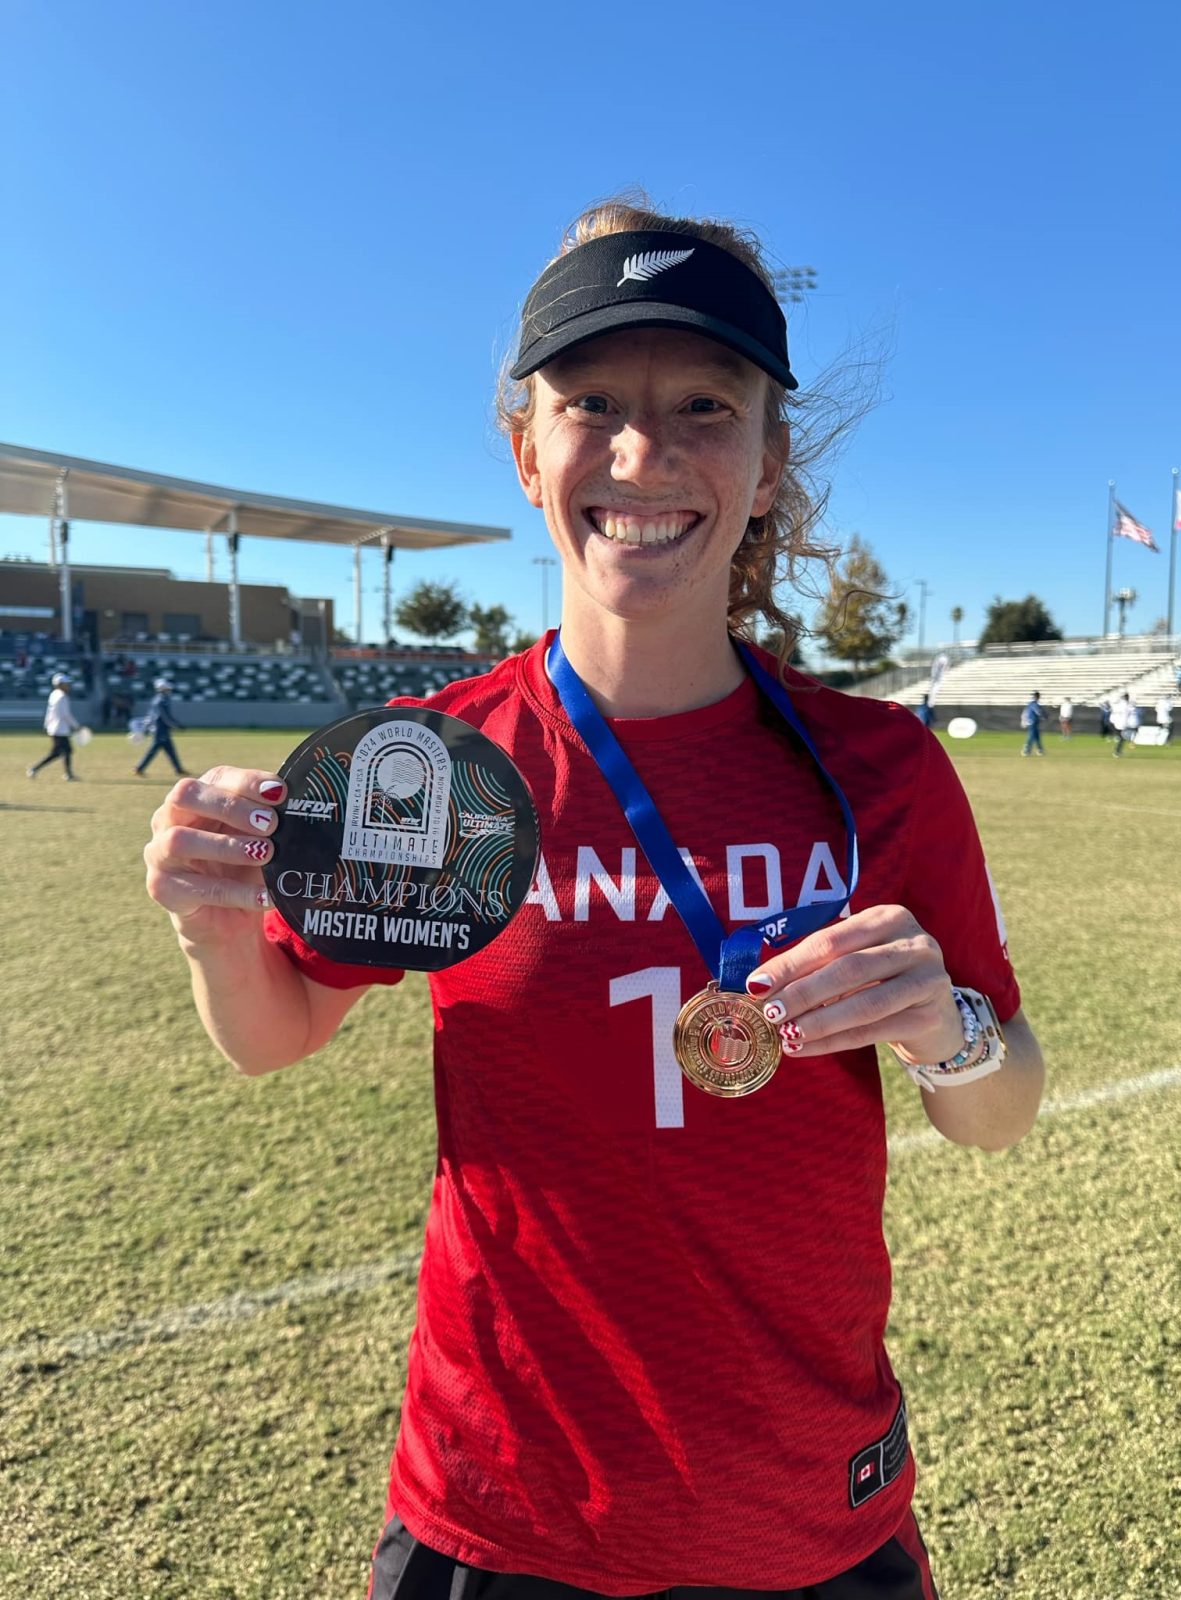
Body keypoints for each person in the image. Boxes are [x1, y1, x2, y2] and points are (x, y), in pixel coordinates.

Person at [143, 199, 1044, 1600]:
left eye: (702, 404)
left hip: (809, 1508)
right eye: (590, 404)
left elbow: (1000, 1110)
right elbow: (275, 1030)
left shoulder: (882, 769)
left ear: (764, 464)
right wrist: (212, 920)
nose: (643, 453)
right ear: (525, 451)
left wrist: (951, 1032)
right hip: (502, 1513)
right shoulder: (432, 763)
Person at [27, 671, 81, 780]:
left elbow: (49, 712)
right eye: (65, 684)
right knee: (59, 752)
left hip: (55, 728)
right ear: (59, 684)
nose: (68, 686)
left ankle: (68, 774)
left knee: (64, 751)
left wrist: (46, 725)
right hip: (60, 729)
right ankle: (35, 769)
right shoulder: (62, 697)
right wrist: (76, 726)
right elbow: (65, 715)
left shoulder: (54, 695)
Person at [134, 678, 187, 776]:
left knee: (169, 750)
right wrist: (176, 725)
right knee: (154, 750)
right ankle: (139, 768)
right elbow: (165, 717)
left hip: (162, 729)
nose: (169, 690)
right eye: (167, 688)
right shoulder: (160, 701)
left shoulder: (160, 699)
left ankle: (178, 769)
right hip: (160, 729)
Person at [1109, 691, 1135, 756]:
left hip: (1116, 723)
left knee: (1121, 738)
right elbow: (1132, 710)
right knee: (1122, 738)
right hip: (1122, 723)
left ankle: (1118, 750)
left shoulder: (1119, 704)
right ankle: (1117, 752)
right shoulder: (1127, 705)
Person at [1020, 690, 1045, 756]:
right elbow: (1038, 712)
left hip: (1033, 722)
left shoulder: (1031, 704)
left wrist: (1023, 720)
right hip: (1032, 722)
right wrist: (1043, 716)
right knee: (1031, 736)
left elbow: (1025, 712)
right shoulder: (1034, 704)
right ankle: (1026, 750)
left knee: (1037, 736)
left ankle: (1040, 749)